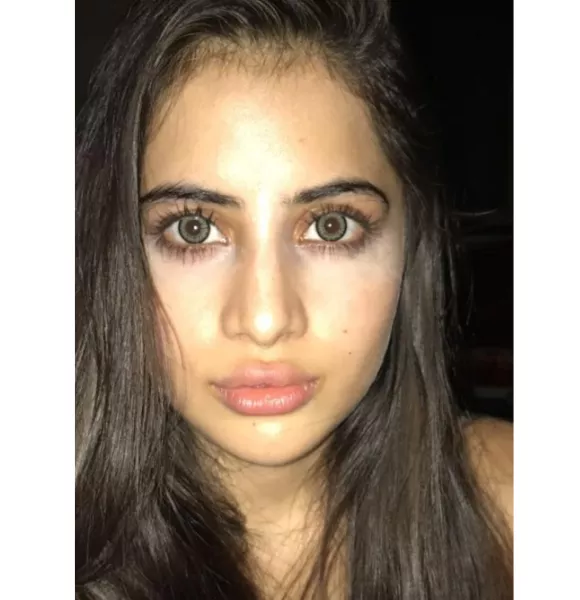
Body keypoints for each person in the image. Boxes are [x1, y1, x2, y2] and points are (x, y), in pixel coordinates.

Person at [75, 0, 513, 598]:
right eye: (194, 229)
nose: (264, 319)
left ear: (412, 244)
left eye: (331, 226)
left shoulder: (515, 505)